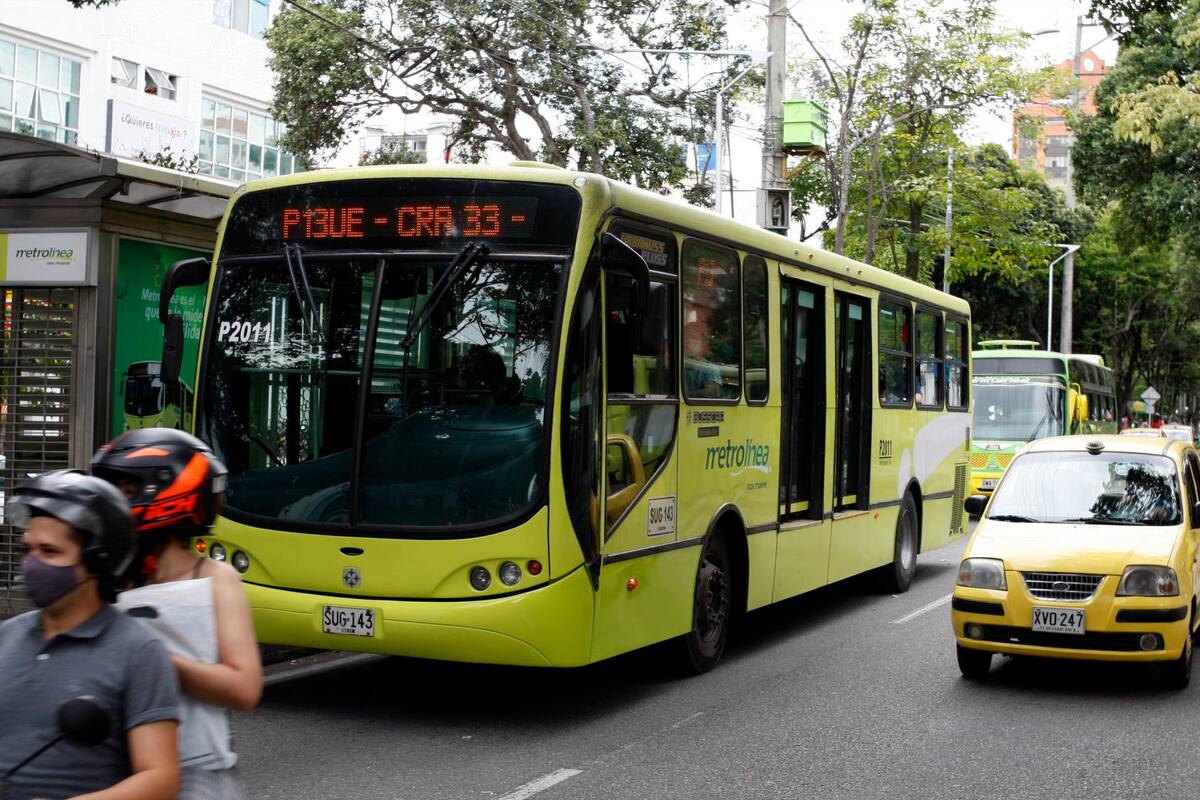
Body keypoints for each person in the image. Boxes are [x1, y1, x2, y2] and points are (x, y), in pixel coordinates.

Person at [93, 429, 261, 800]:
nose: (112, 503)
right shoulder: (108, 578)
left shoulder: (215, 578)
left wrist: (155, 660)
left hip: (198, 775)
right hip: (118, 772)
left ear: (166, 490)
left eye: (126, 489)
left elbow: (244, 688)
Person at [0, 470, 180, 800]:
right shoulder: (6, 637)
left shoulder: (138, 651)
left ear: (98, 560)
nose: (32, 565)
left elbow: (160, 777)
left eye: (50, 552)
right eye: (29, 550)